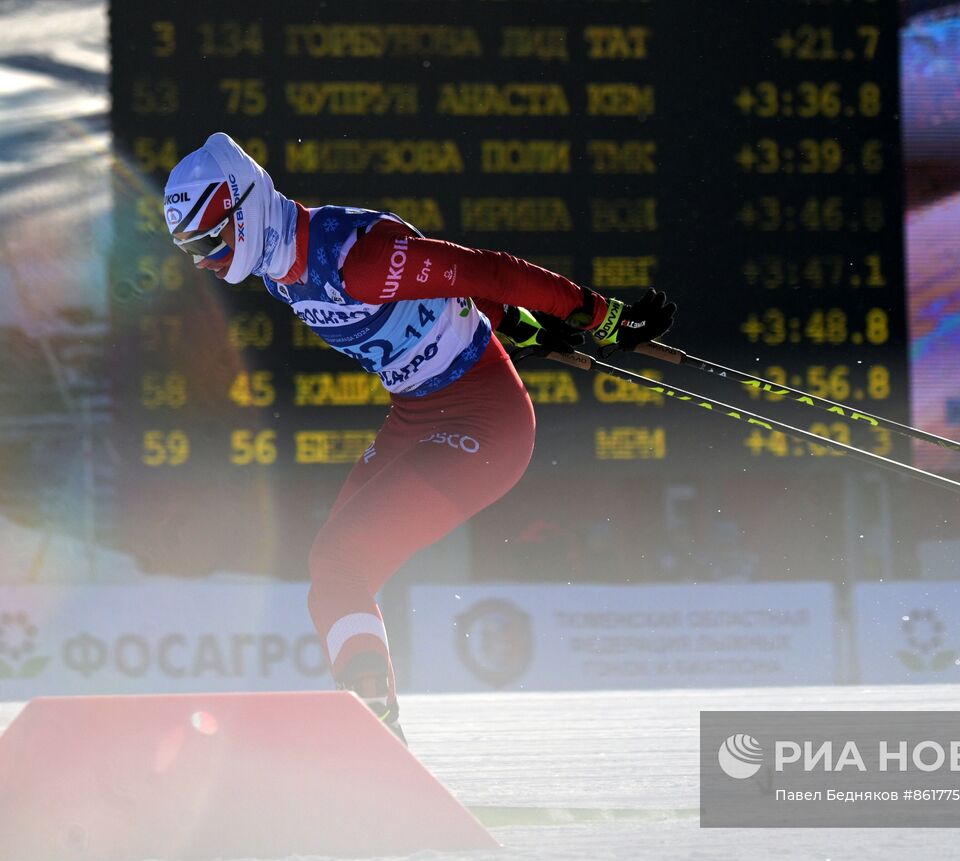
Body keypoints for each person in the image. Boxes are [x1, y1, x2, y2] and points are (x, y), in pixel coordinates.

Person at [162, 133, 676, 740]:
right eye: (189, 250)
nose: (204, 263)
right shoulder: (277, 267)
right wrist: (524, 328)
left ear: (240, 211)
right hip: (418, 414)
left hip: (485, 423)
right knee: (332, 568)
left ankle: (374, 721)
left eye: (205, 243)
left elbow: (486, 269)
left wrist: (600, 317)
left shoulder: (359, 257)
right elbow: (445, 292)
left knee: (343, 559)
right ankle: (372, 721)